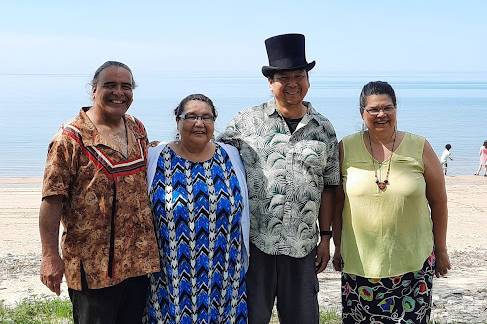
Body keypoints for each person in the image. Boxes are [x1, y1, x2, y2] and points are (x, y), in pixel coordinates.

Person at [218, 33, 339, 324]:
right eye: (284, 77)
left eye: (299, 75)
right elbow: (213, 159)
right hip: (254, 244)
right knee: (249, 319)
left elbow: (330, 187)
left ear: (308, 79)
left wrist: (325, 238)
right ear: (270, 82)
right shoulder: (245, 122)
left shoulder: (324, 128)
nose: (293, 84)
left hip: (302, 246)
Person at [39, 61, 160, 324]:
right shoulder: (70, 138)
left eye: (126, 86)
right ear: (94, 90)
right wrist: (50, 257)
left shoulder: (137, 128)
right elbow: (51, 199)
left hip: (138, 262)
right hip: (93, 268)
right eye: (110, 85)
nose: (119, 92)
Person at [332, 81, 451, 324]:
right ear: (362, 112)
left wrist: (441, 249)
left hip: (413, 266)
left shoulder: (419, 147)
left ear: (396, 109)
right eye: (373, 109)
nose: (381, 114)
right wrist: (336, 245)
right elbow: (337, 203)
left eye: (387, 108)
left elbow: (439, 203)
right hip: (360, 267)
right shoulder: (345, 147)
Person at [145, 94, 249, 323]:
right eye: (191, 116)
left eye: (206, 117)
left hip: (225, 276)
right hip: (169, 276)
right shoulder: (155, 157)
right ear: (178, 121)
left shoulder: (231, 156)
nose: (199, 123)